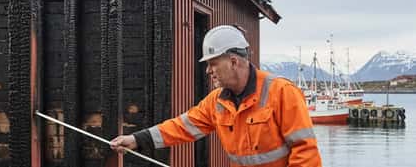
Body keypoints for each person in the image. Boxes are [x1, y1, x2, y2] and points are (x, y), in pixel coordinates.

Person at [110, 25, 322, 166]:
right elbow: (182, 126)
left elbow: (306, 153)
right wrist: (136, 139)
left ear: (233, 61)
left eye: (213, 64)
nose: (208, 71)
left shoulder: (282, 92)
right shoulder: (217, 102)